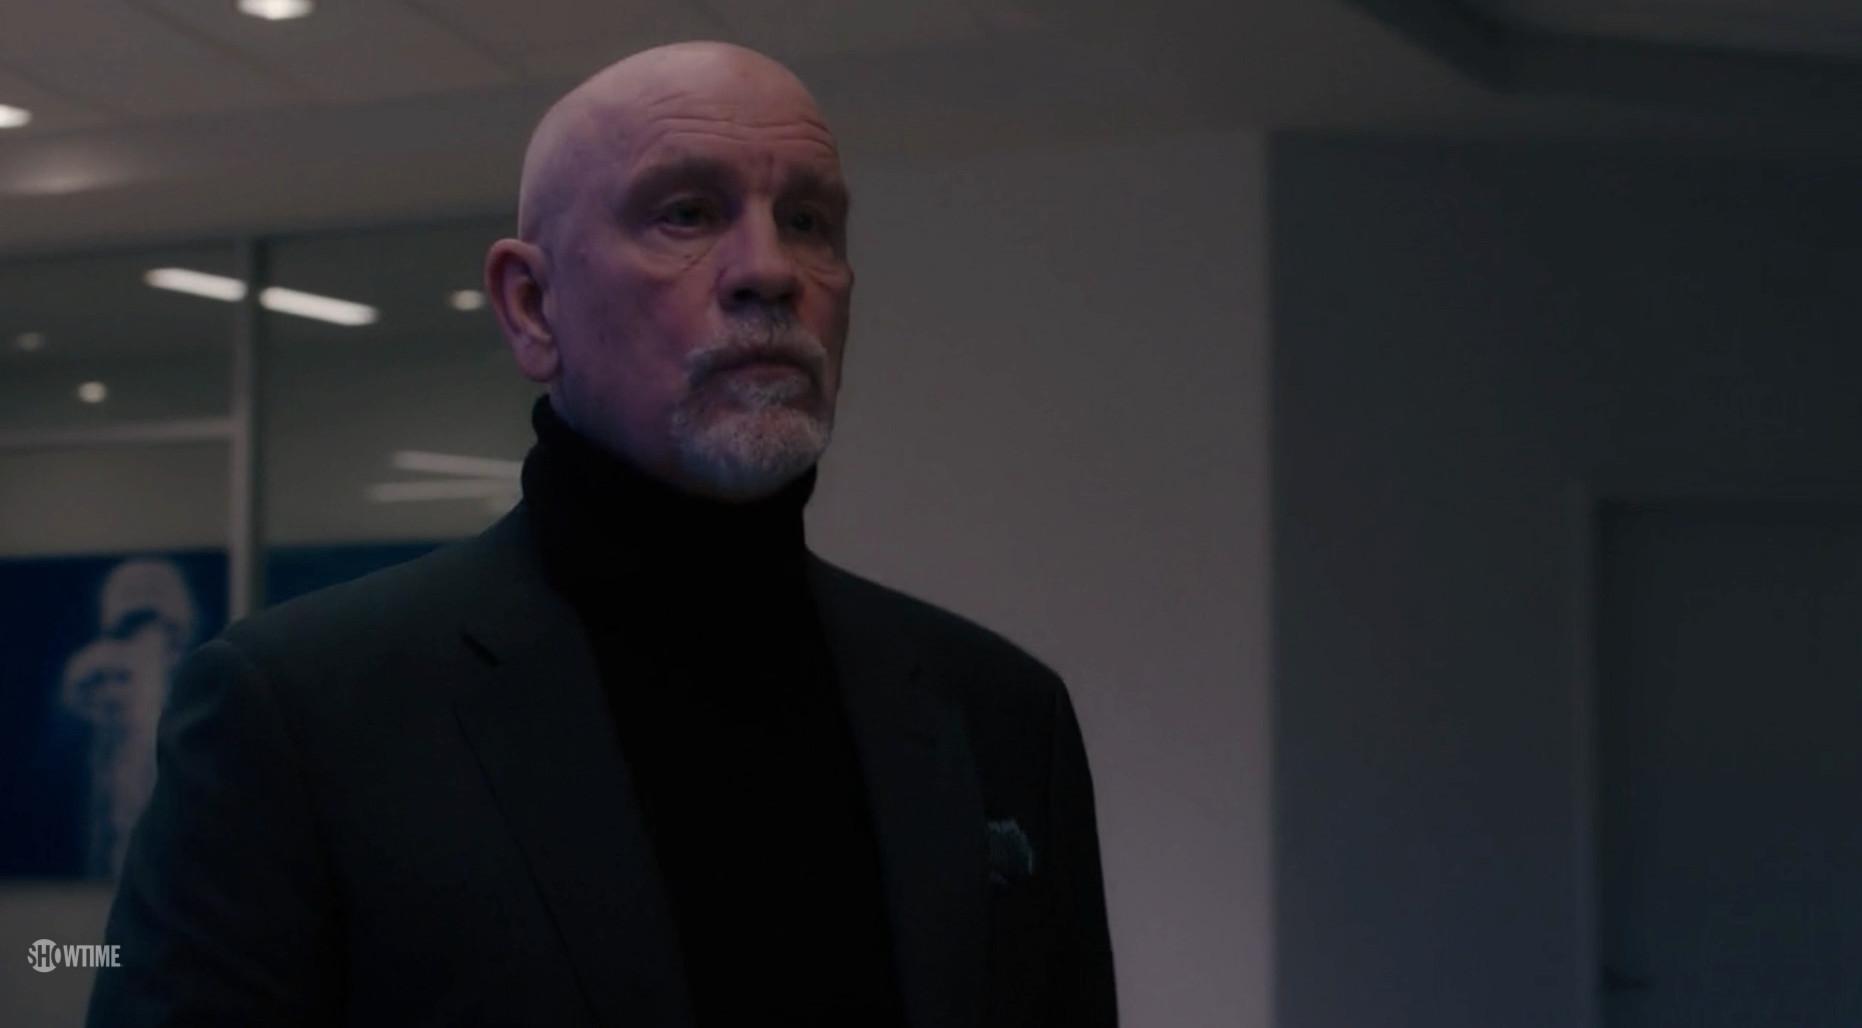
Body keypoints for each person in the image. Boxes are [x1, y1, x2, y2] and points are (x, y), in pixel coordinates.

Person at [89, 40, 1116, 1028]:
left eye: (808, 220)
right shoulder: (303, 716)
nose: (769, 271)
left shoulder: (998, 712)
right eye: (686, 213)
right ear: (532, 306)